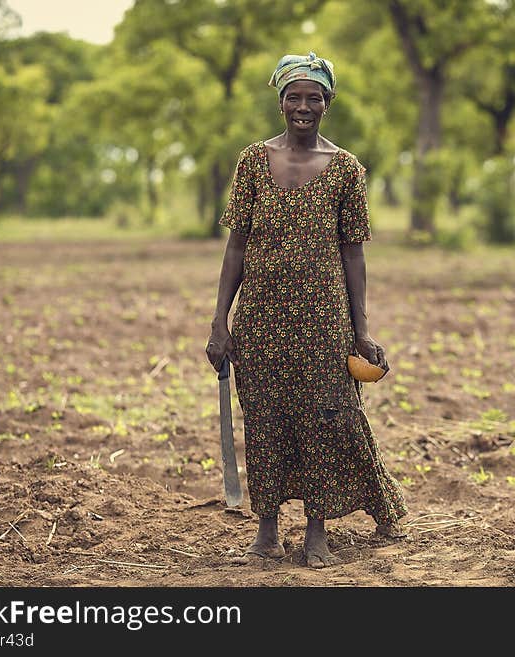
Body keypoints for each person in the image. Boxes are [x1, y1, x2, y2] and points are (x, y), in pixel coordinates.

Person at [205, 52, 407, 569]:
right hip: (261, 320)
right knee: (266, 419)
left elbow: (353, 252)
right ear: (279, 102)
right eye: (293, 96)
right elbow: (236, 247)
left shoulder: (345, 169)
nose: (303, 106)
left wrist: (361, 331)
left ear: (328, 103)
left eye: (313, 97)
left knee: (324, 419)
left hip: (323, 320)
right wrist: (219, 322)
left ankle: (316, 529)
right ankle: (267, 527)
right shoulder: (252, 161)